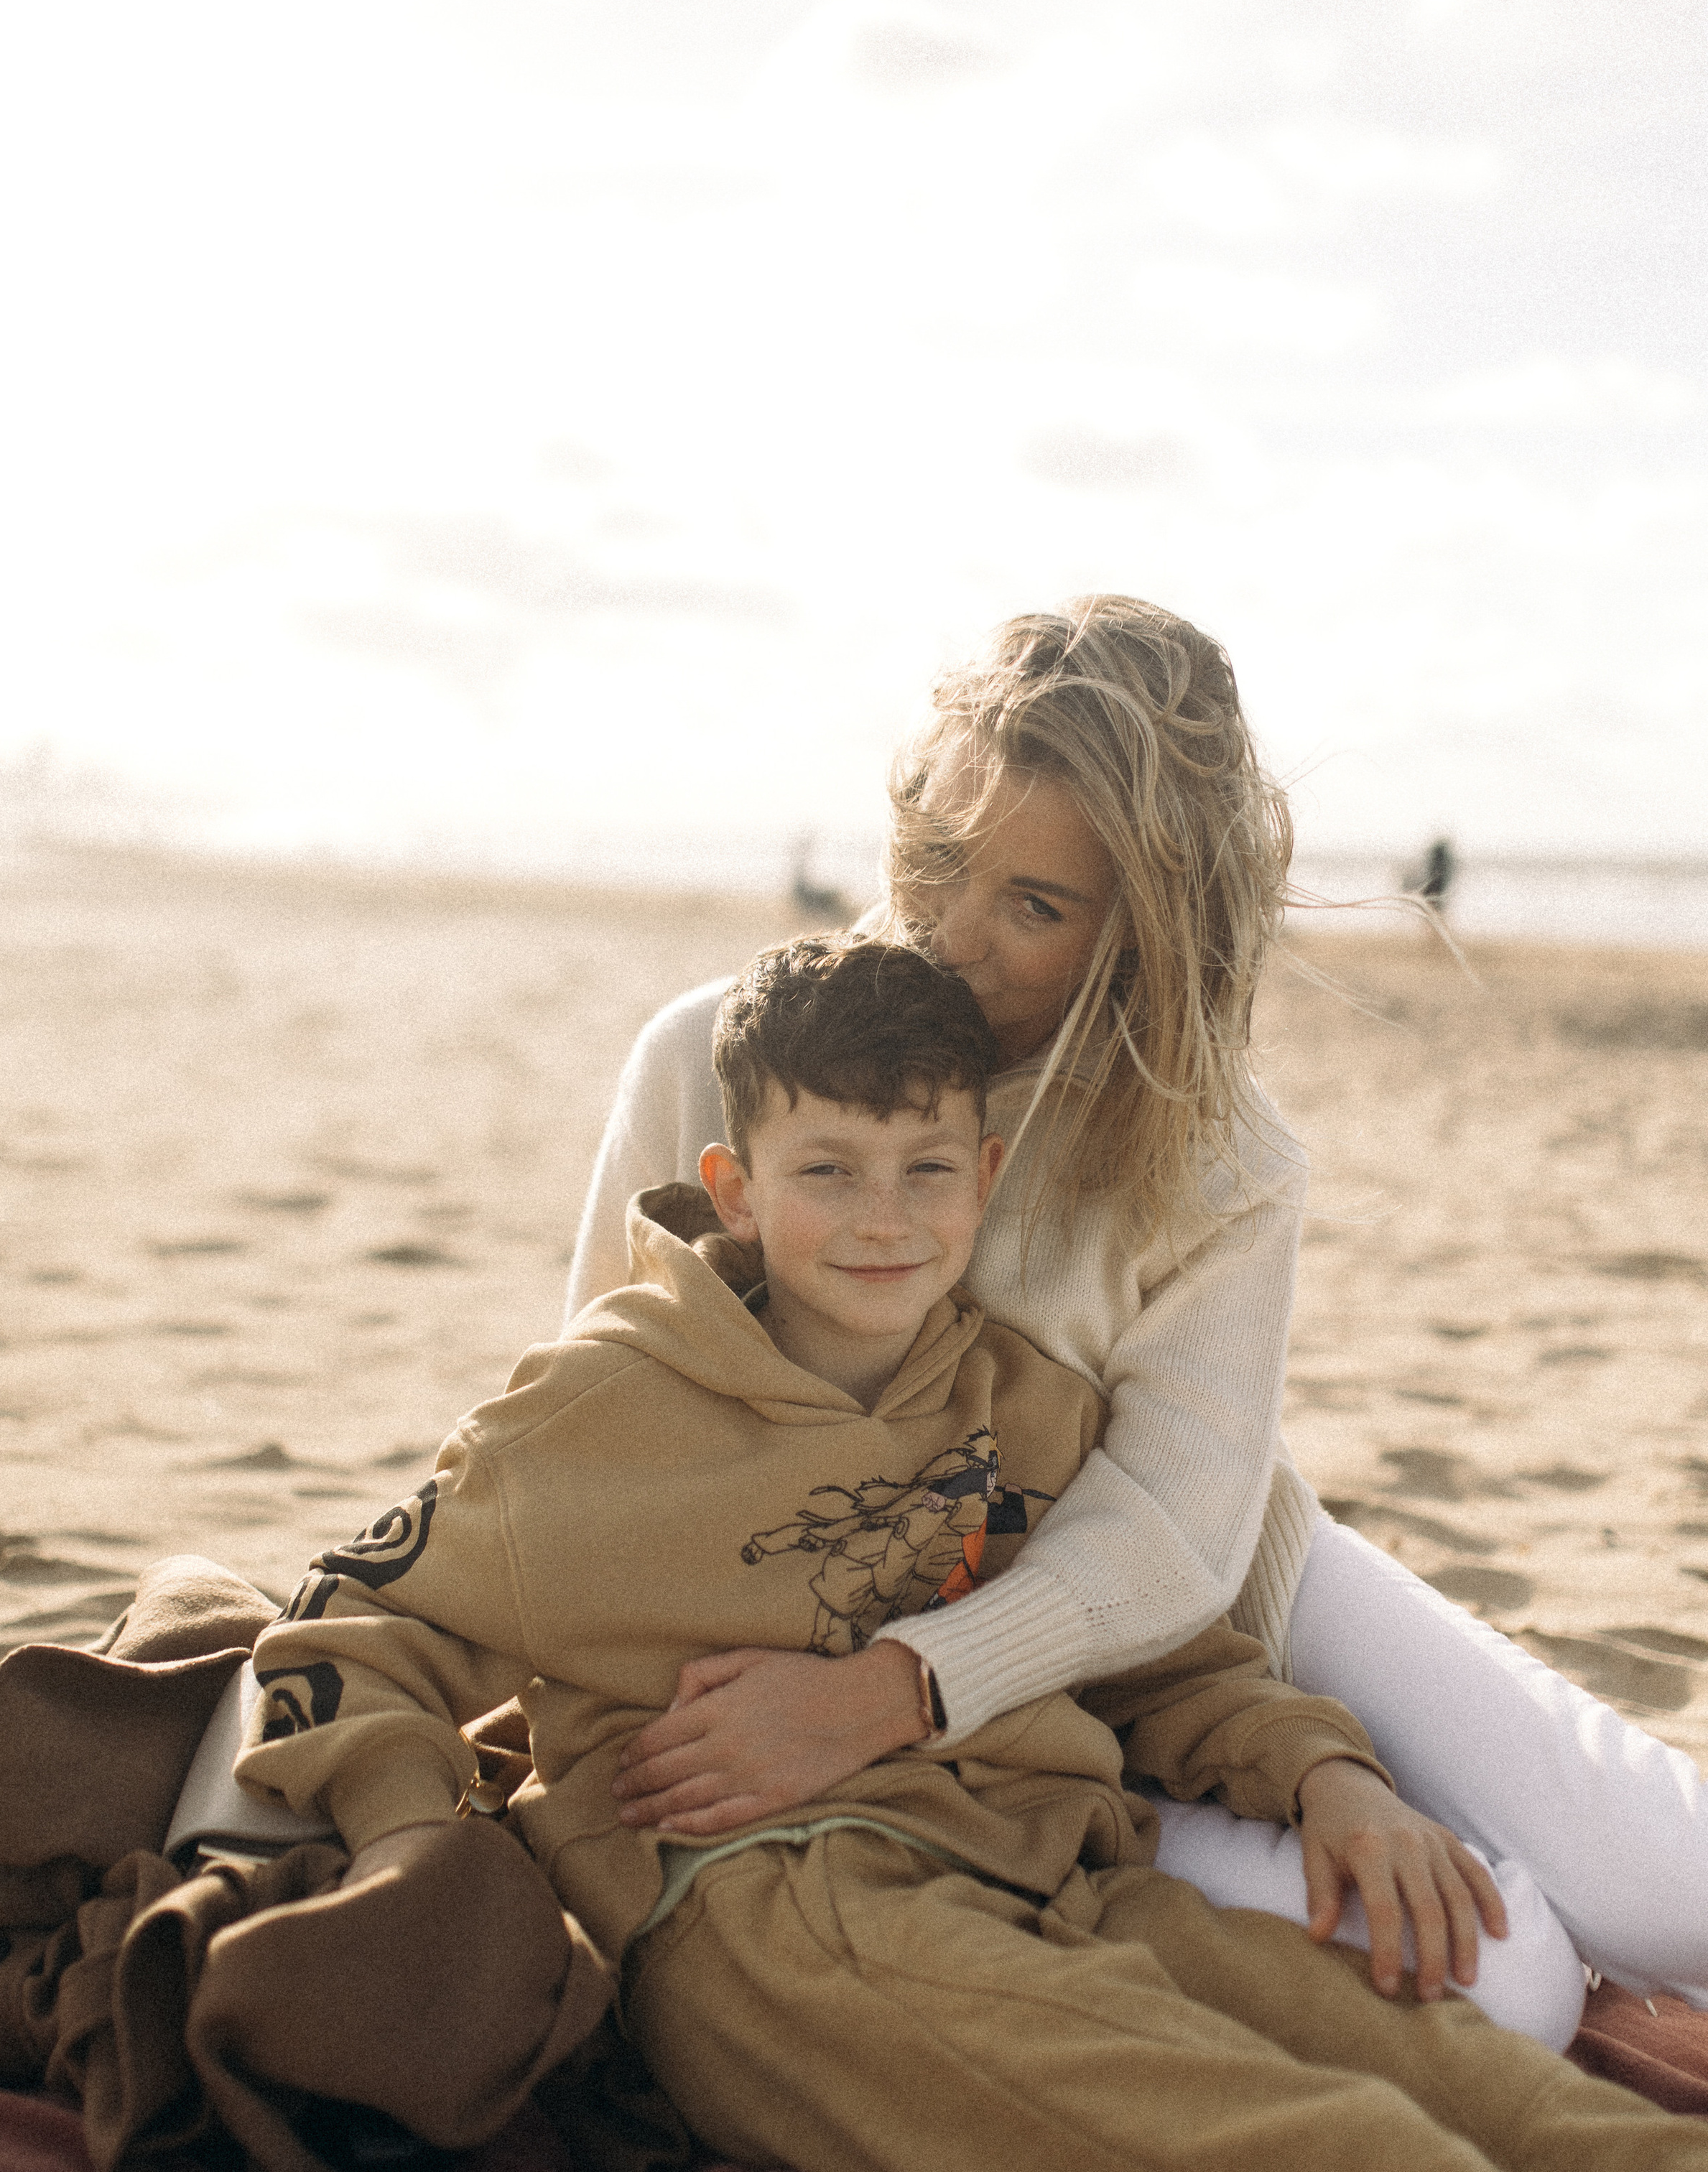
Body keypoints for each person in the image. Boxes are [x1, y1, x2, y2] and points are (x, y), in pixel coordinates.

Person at [243, 939, 1708, 2172]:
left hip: (1057, 1870)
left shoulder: (1013, 1400)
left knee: (1476, 2093)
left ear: (984, 1175)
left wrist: (1325, 1770)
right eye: (829, 1171)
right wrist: (410, 1830)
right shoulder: (591, 1418)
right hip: (783, 1915)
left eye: (924, 1168)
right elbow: (347, 1621)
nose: (883, 1218)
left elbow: (1153, 1650)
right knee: (1298, 2170)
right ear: (734, 1186)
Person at [575, 595, 1708, 2015]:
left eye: (1033, 908)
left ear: (1148, 930)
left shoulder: (1219, 1156)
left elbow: (1171, 1532)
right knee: (1504, 1979)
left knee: (1677, 1891)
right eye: (935, 864)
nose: (945, 938)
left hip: (1181, 1584)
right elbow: (593, 1416)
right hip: (915, 1654)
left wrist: (1315, 1766)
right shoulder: (708, 1059)